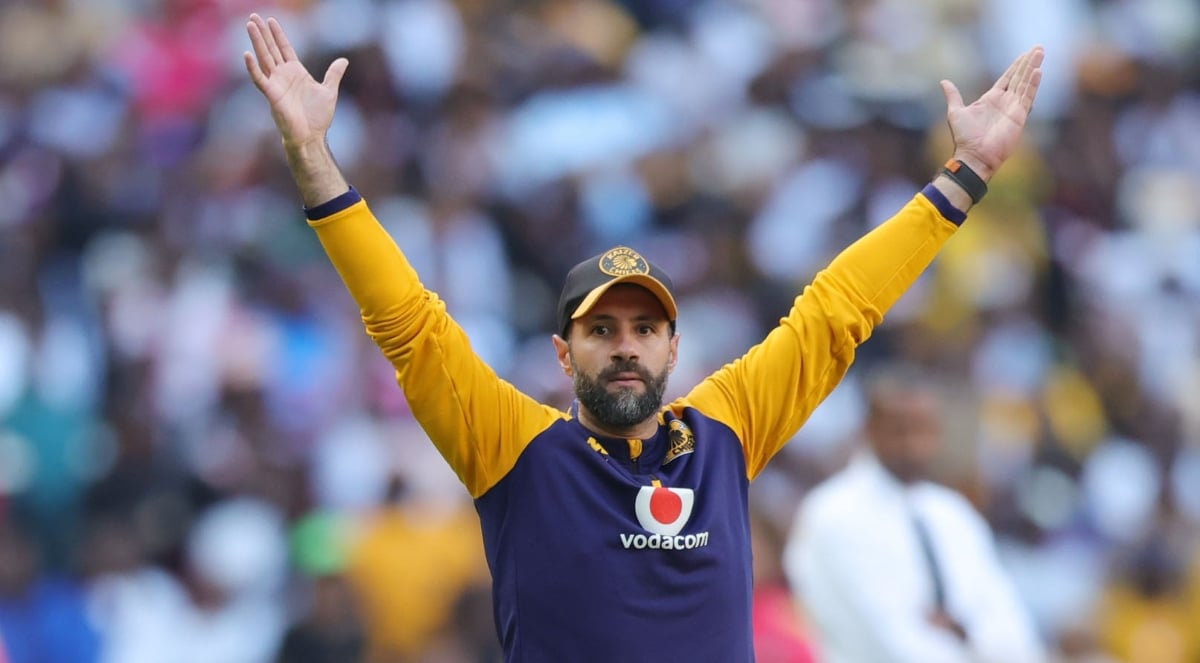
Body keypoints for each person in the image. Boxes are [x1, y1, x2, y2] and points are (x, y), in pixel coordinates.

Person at [242, 13, 1044, 661]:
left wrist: (964, 175)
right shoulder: (515, 450)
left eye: (644, 326)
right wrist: (312, 157)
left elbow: (838, 311)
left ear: (672, 347)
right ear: (564, 354)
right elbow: (409, 326)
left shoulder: (725, 431)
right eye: (601, 329)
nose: (625, 344)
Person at [782, 364, 1045, 663]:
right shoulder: (832, 515)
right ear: (869, 429)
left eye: (923, 428)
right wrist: (967, 639)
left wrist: (967, 630)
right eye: (899, 430)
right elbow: (888, 642)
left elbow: (1015, 635)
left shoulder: (952, 514)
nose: (913, 445)